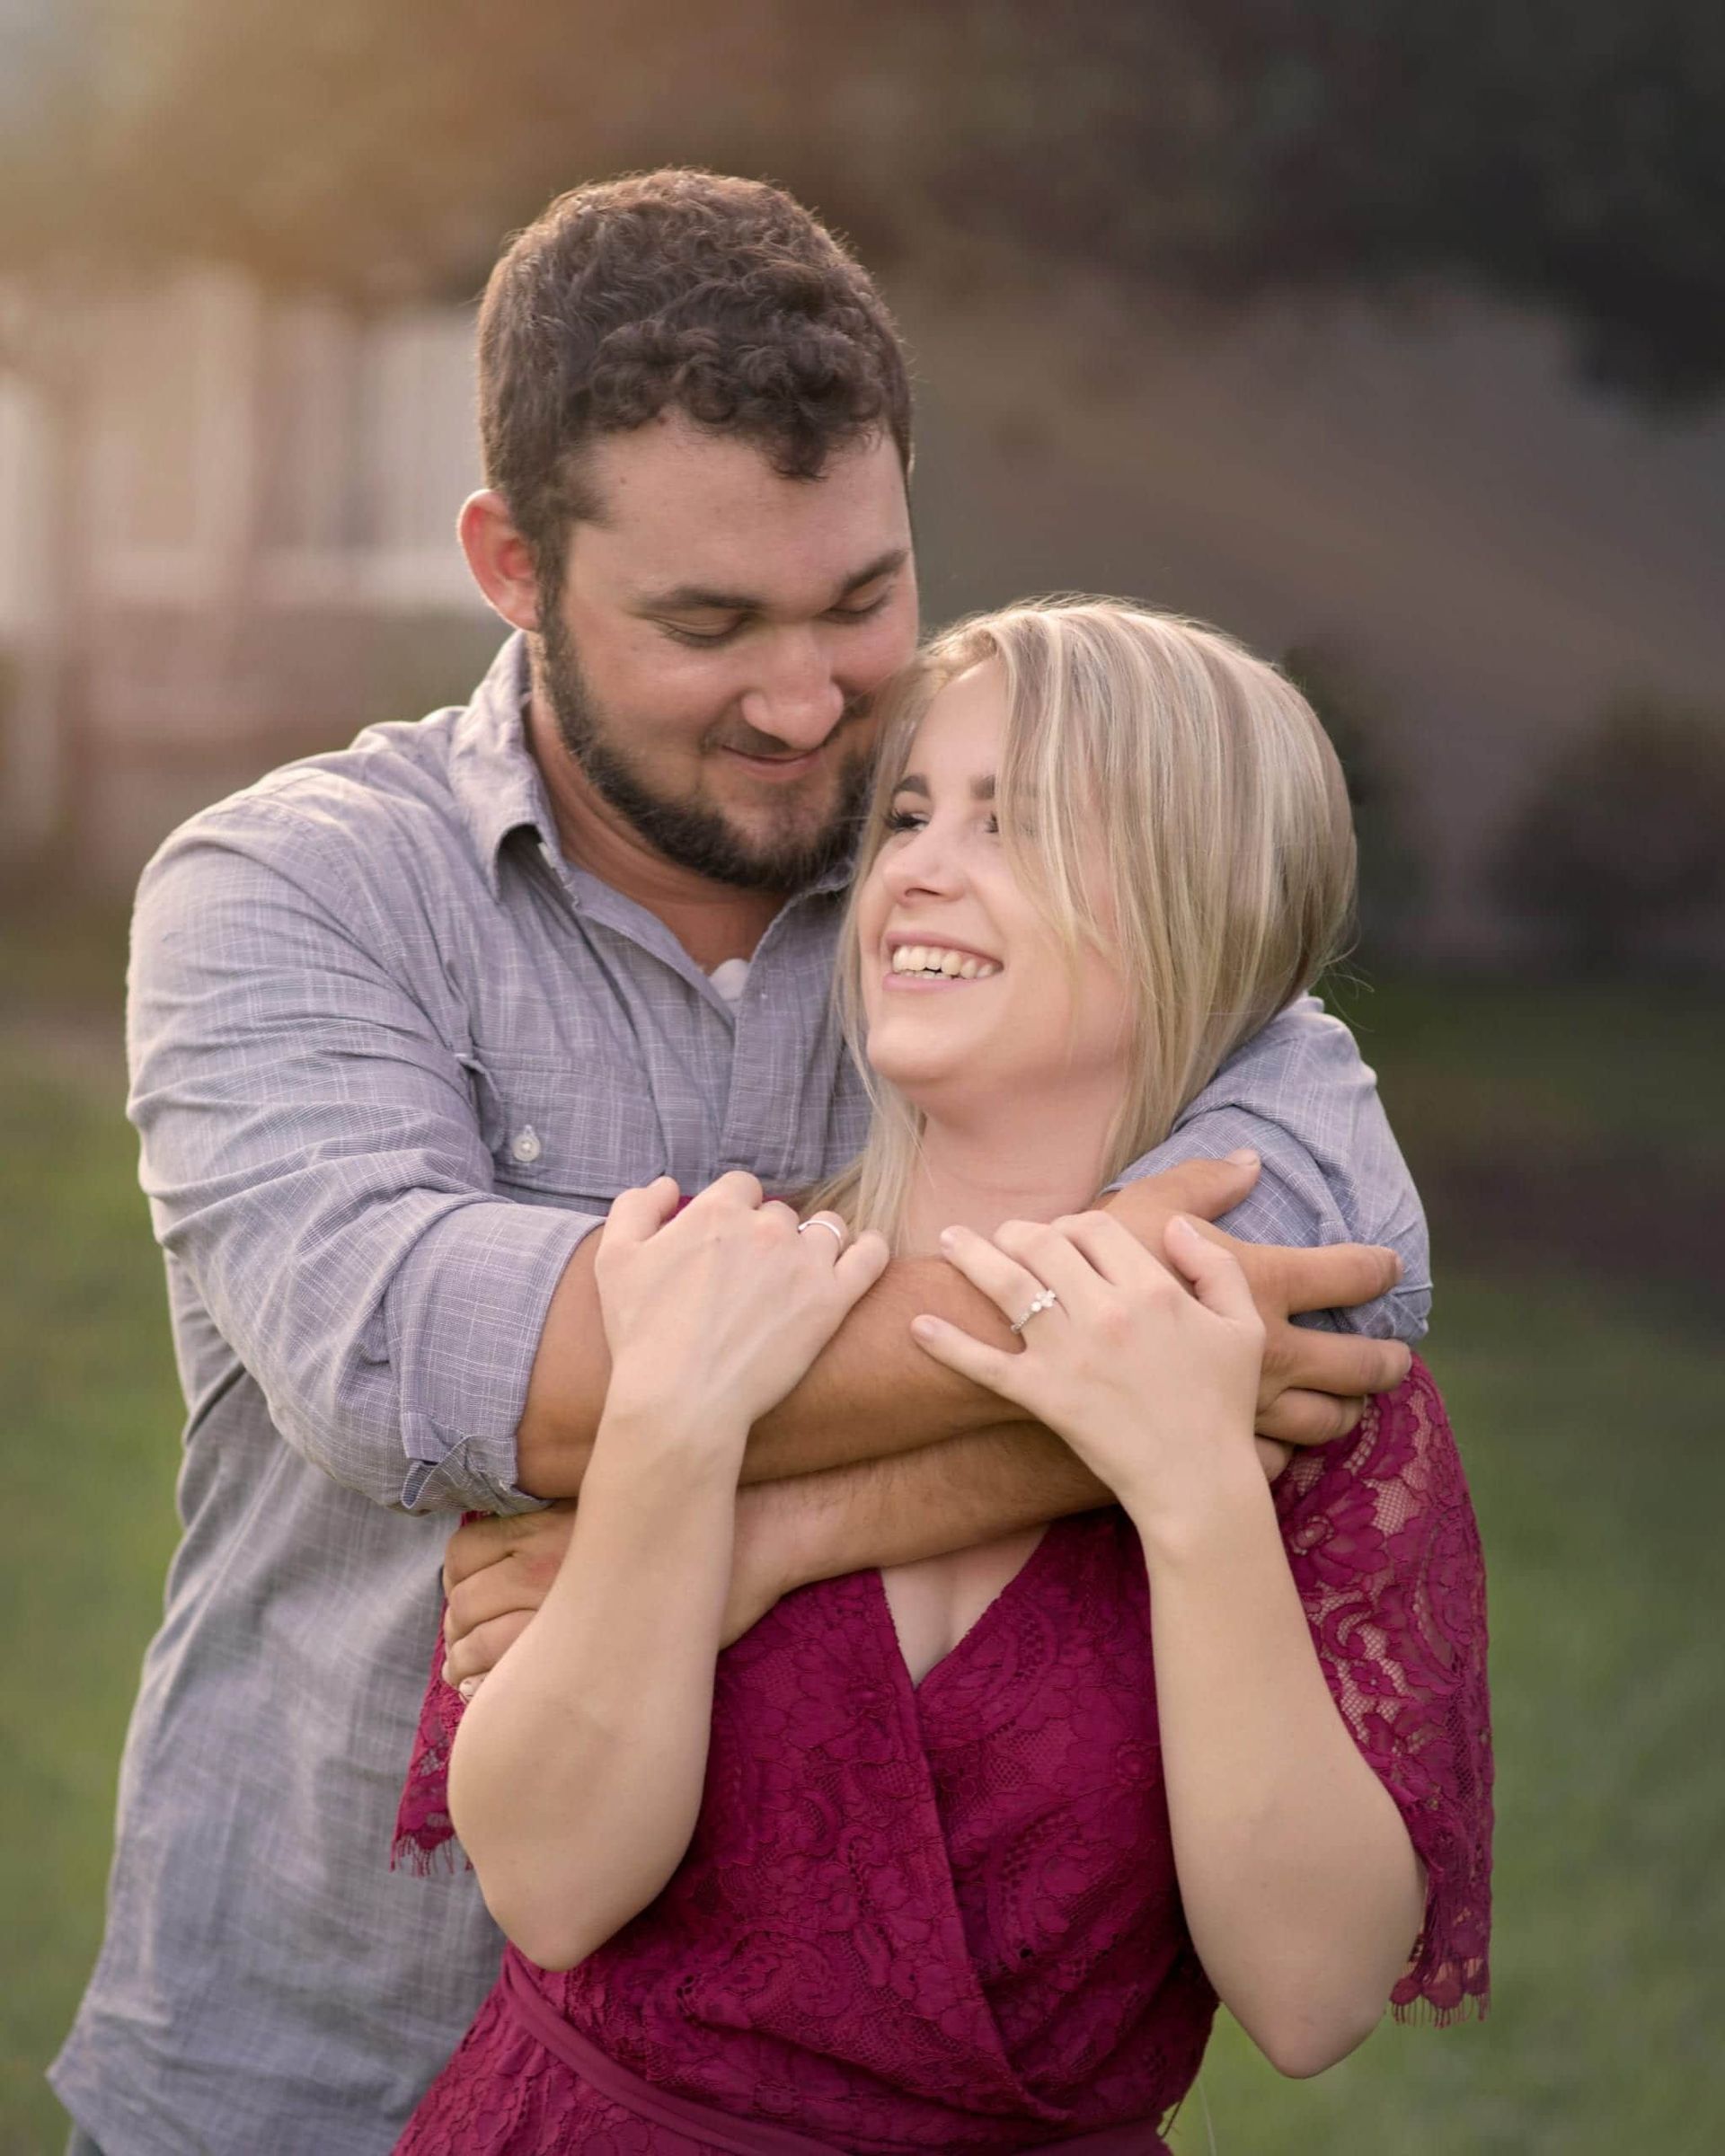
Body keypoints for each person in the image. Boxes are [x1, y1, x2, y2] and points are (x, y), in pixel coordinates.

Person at [53, 174, 1425, 2156]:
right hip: (322, 2068)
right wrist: (1128, 1373)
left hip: (837, 2094)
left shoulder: (991, 857)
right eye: (708, 625)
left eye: (861, 600)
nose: (807, 704)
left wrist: (749, 1520)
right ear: (510, 564)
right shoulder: (293, 891)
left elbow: (1338, 1247)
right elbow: (419, 1373)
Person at [393, 600, 1490, 2154]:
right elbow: (554, 1891)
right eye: (909, 812)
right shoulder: (715, 1292)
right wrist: (670, 1432)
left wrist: (1190, 1498)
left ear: (1209, 904)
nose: (914, 863)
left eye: (1014, 824)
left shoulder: (1311, 1410)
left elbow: (1315, 1998)